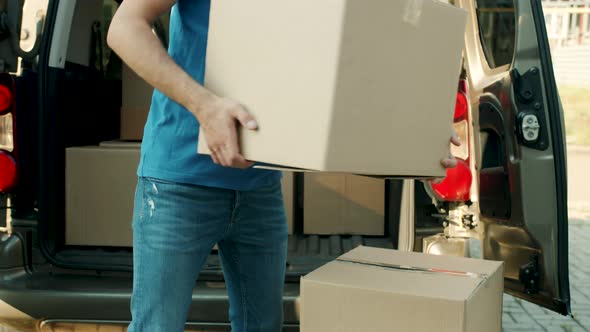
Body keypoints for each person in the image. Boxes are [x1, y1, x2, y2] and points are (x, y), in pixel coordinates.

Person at [107, 1, 461, 331]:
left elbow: (351, 61)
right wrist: (204, 106)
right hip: (178, 184)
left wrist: (416, 132)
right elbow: (124, 27)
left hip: (259, 187)